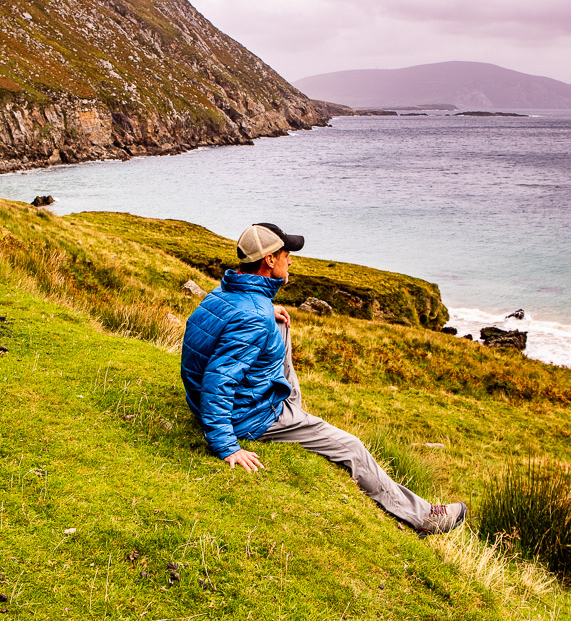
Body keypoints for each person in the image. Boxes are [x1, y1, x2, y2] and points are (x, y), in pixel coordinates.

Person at [180, 223, 467, 534]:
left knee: (280, 328)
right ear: (270, 261)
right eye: (286, 255)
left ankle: (296, 414)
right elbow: (219, 380)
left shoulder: (227, 292)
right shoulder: (253, 317)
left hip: (226, 400)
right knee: (352, 447)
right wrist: (226, 445)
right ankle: (425, 518)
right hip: (248, 417)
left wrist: (266, 311)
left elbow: (220, 346)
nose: (291, 261)